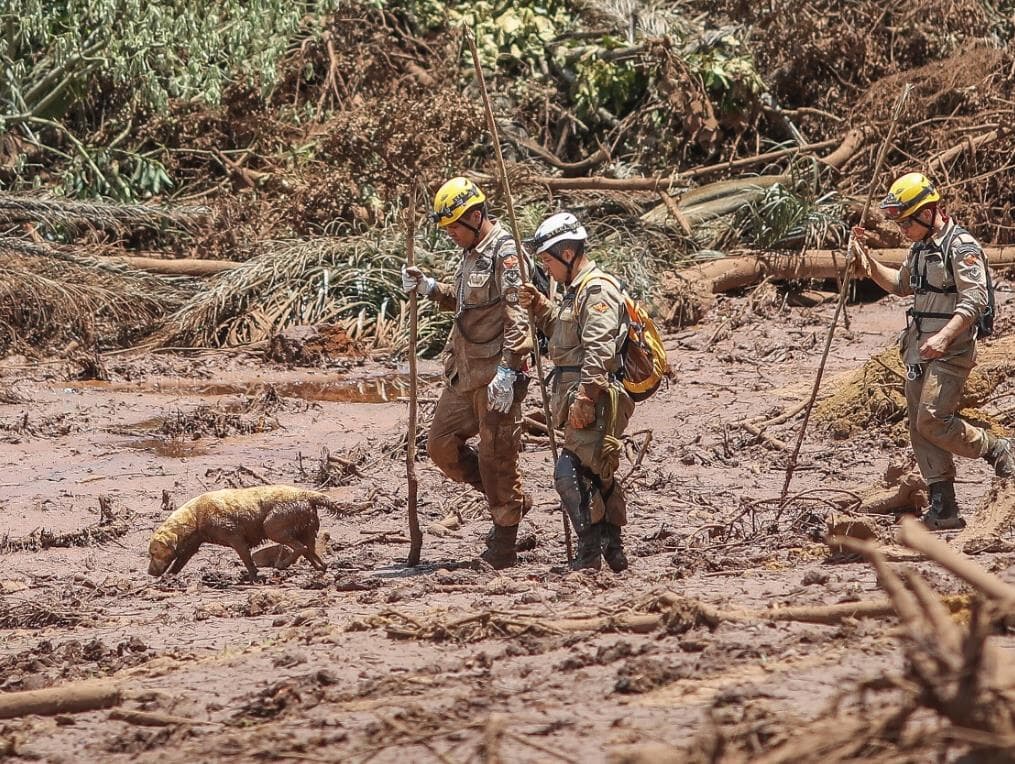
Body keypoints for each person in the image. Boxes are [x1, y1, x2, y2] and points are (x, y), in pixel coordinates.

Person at [853, 171, 1014, 530]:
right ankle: (944, 505)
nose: (902, 231)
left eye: (906, 223)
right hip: (917, 348)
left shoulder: (962, 247)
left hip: (951, 349)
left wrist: (944, 337)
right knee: (918, 425)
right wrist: (867, 262)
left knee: (932, 418)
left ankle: (995, 447)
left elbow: (975, 300)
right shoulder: (919, 248)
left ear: (927, 213)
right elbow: (900, 285)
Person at [401, 177, 533, 568]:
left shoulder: (506, 255)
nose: (451, 234)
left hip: (496, 375)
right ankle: (507, 498)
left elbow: (518, 317)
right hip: (463, 372)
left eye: (455, 226)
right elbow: (467, 305)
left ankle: (504, 541)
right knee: (440, 446)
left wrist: (510, 371)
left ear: (477, 217)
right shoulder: (472, 251)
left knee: (497, 457)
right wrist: (428, 287)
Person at [518, 212, 634, 570]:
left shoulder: (596, 289)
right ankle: (612, 551)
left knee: (569, 474)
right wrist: (540, 307)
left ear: (568, 255)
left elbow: (600, 350)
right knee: (597, 474)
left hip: (595, 397)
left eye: (548, 261)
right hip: (577, 393)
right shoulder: (574, 292)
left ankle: (588, 557)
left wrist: (586, 398)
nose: (547, 269)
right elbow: (563, 334)